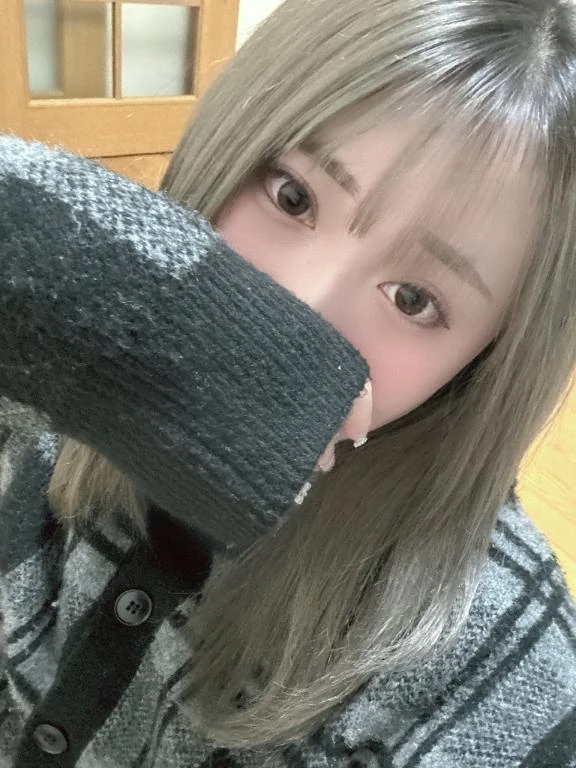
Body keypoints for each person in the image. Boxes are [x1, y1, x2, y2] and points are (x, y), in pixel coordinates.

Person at [1, 0, 576, 765]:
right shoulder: (59, 397)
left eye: (413, 299)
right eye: (292, 196)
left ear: (485, 364)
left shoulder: (493, 673)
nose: (299, 310)